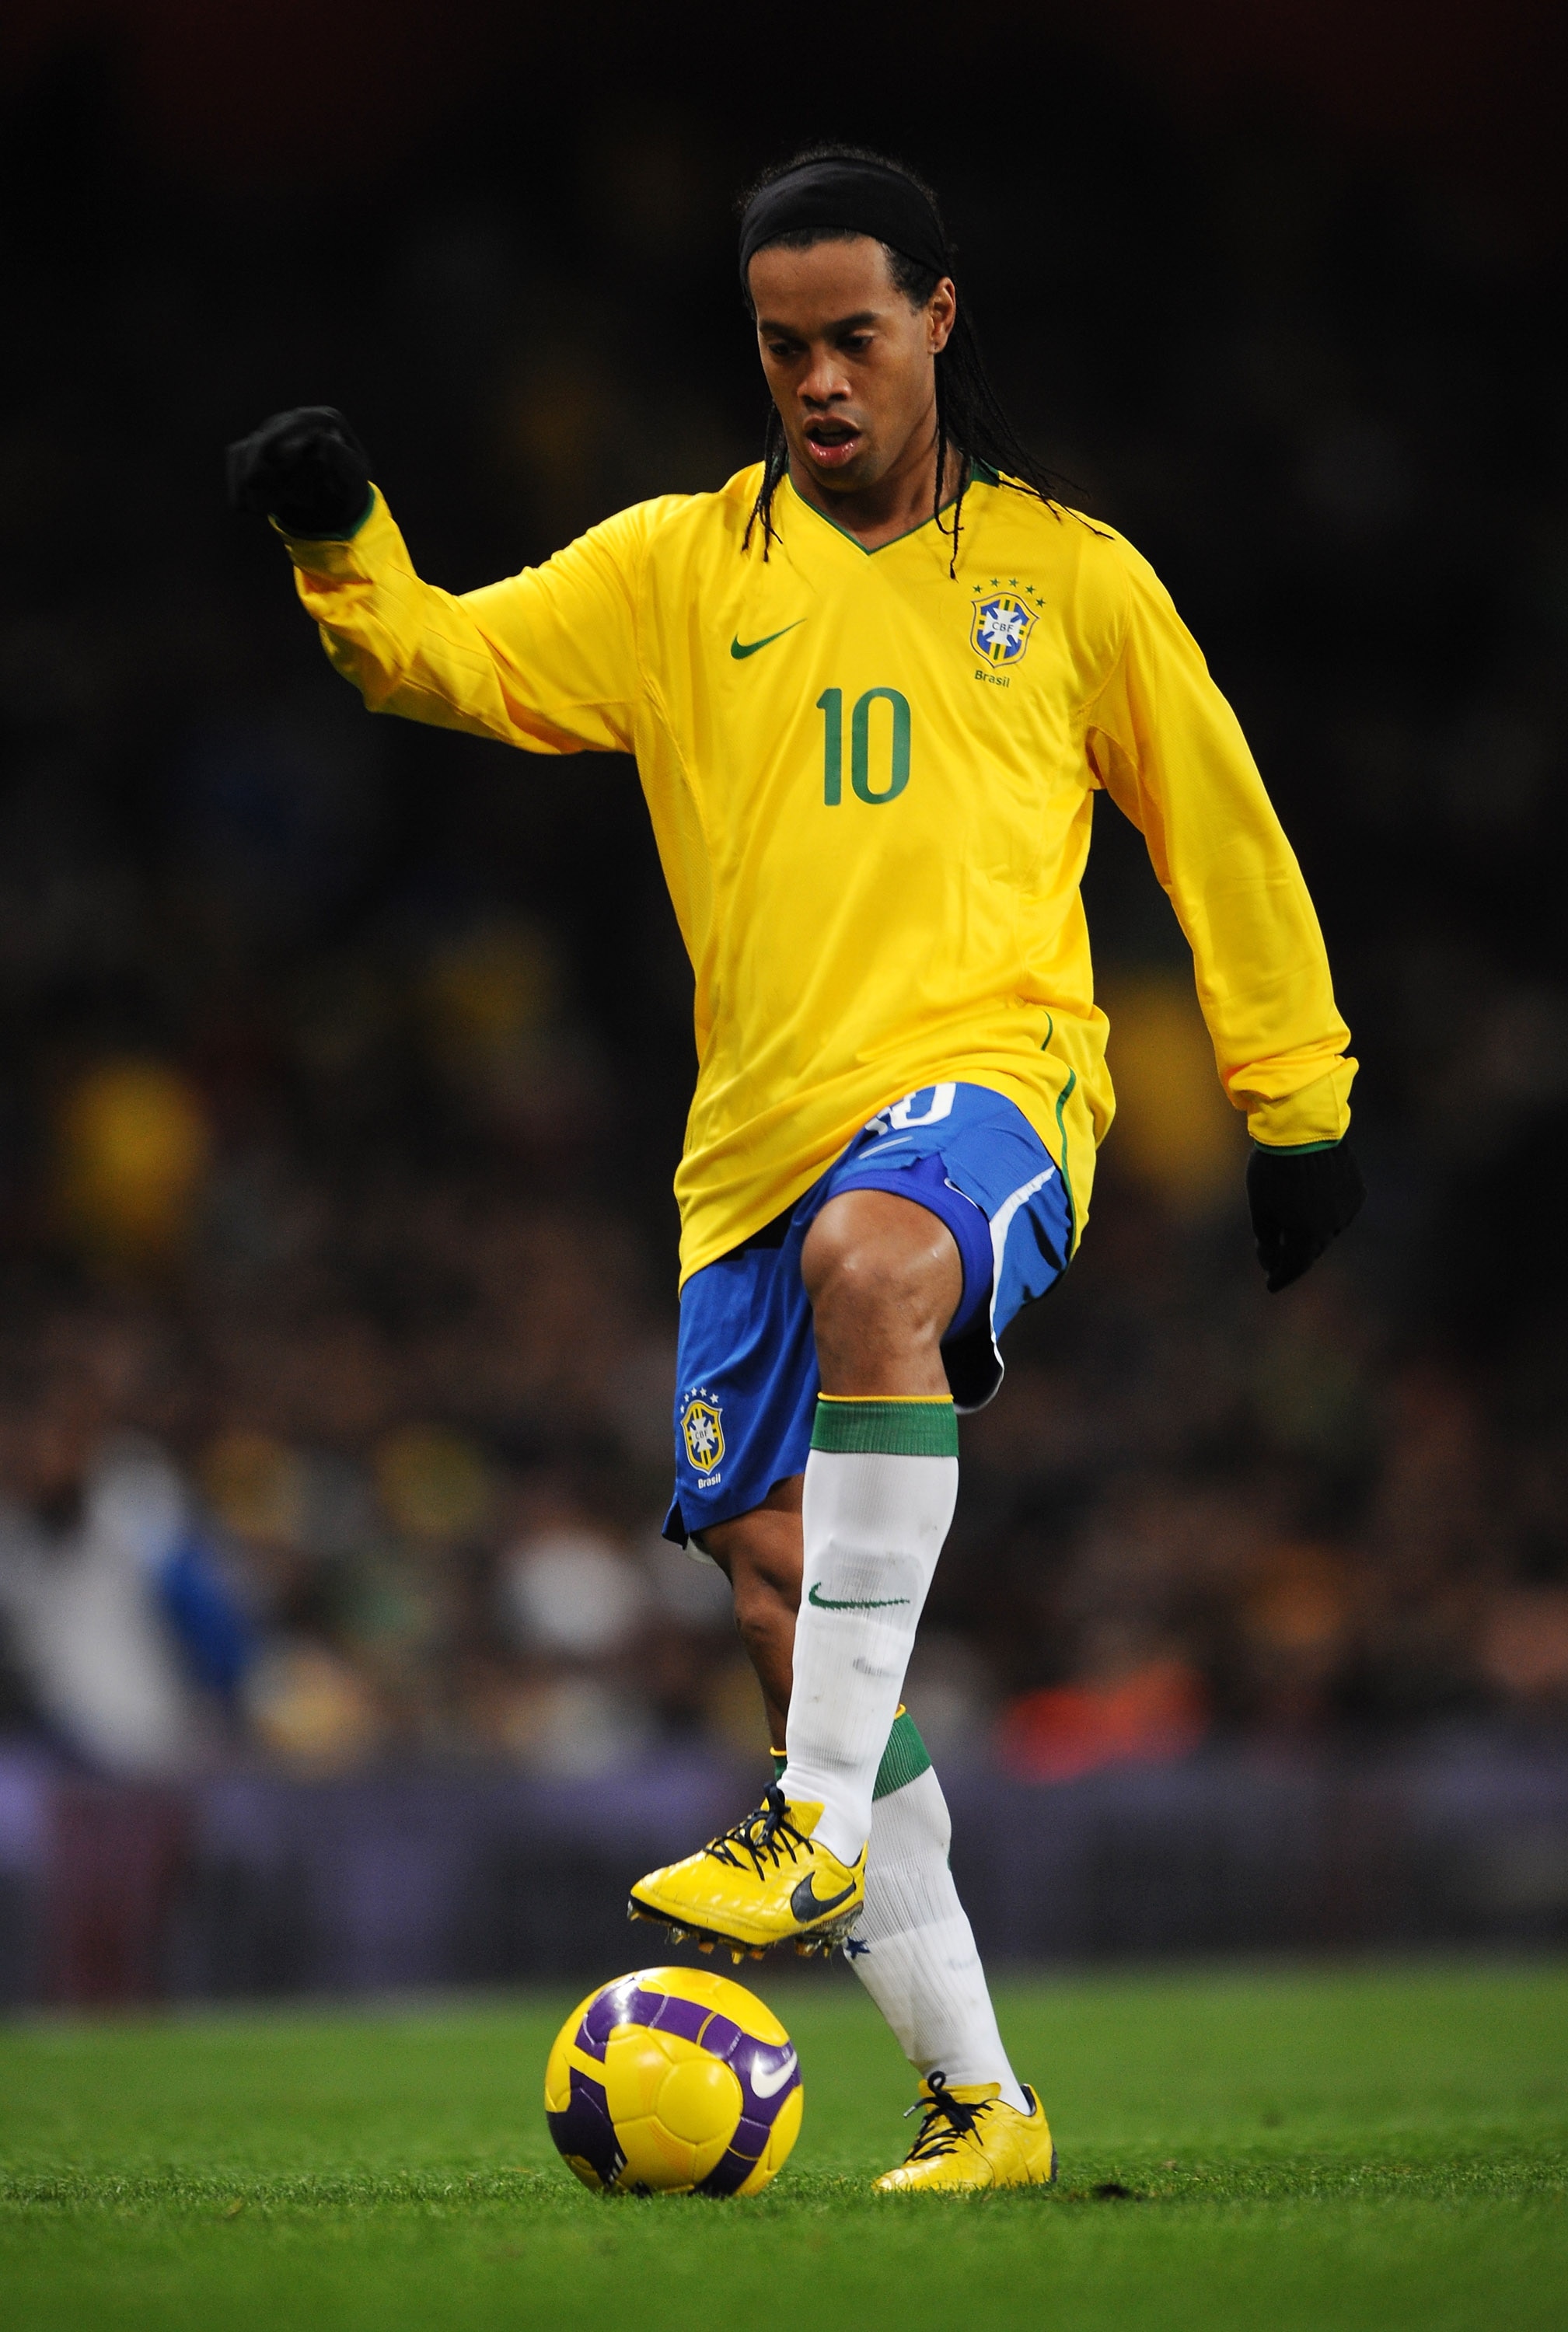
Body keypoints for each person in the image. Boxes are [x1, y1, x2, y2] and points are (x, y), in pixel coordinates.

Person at [228, 144, 1362, 2193]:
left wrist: (1295, 1104)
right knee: (777, 1589)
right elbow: (440, 659)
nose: (819, 380)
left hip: (991, 1084)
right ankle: (981, 2107)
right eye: (780, 348)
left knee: (880, 1263)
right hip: (744, 1150)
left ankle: (810, 1815)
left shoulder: (1072, 580)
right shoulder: (678, 570)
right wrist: (339, 541)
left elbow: (1223, 832)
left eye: (853, 337)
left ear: (937, 320)